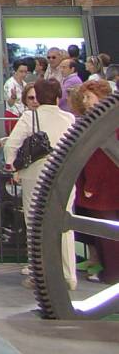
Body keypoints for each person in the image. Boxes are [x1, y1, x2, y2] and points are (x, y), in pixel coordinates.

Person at [4, 79, 76, 288]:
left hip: (35, 175)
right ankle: (68, 275)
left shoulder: (30, 116)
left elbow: (12, 145)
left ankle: (40, 275)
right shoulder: (69, 117)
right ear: (57, 97)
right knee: (64, 224)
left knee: (35, 225)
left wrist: (12, 167)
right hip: (64, 176)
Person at [69, 81, 118, 284]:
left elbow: (100, 158)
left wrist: (91, 184)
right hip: (101, 187)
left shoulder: (105, 125)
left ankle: (113, 273)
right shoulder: (101, 122)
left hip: (104, 189)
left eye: (89, 97)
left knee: (107, 233)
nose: (85, 101)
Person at [3, 59, 30, 133]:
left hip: (24, 116)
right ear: (15, 71)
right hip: (13, 116)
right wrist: (13, 97)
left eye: (25, 72)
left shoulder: (25, 84)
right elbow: (10, 104)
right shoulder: (9, 84)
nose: (24, 74)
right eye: (21, 71)